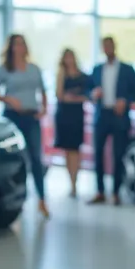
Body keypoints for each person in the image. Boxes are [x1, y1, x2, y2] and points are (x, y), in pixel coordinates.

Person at [0, 34, 50, 219]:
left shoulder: (34, 69)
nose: (20, 47)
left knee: (35, 158)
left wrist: (44, 108)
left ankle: (42, 199)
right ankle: (17, 200)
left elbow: (43, 91)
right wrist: (8, 99)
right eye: (16, 44)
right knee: (16, 159)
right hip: (12, 117)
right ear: (11, 48)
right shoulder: (4, 70)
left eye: (22, 44)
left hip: (31, 116)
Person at [87, 36, 135, 205]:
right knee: (98, 154)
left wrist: (125, 100)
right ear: (102, 48)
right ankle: (100, 191)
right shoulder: (97, 69)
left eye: (110, 45)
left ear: (114, 47)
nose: (108, 48)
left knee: (118, 154)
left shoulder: (127, 69)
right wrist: (92, 94)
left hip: (119, 116)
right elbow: (88, 89)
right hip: (101, 115)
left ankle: (116, 192)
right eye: (105, 46)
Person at [53, 48, 92, 198]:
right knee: (68, 150)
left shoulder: (83, 76)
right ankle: (71, 182)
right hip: (64, 115)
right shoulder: (61, 74)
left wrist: (75, 98)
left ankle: (76, 181)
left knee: (76, 149)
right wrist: (77, 97)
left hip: (77, 115)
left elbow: (88, 95)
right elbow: (61, 96)